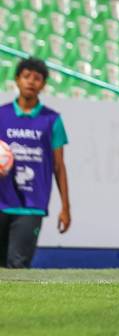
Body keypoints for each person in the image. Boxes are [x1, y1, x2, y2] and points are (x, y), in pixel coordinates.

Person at [0, 58, 71, 268]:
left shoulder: (52, 120)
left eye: (37, 78)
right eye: (26, 76)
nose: (31, 82)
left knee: (17, 266)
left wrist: (65, 207)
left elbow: (59, 166)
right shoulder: (1, 114)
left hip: (31, 207)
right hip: (1, 202)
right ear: (17, 79)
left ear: (44, 84)